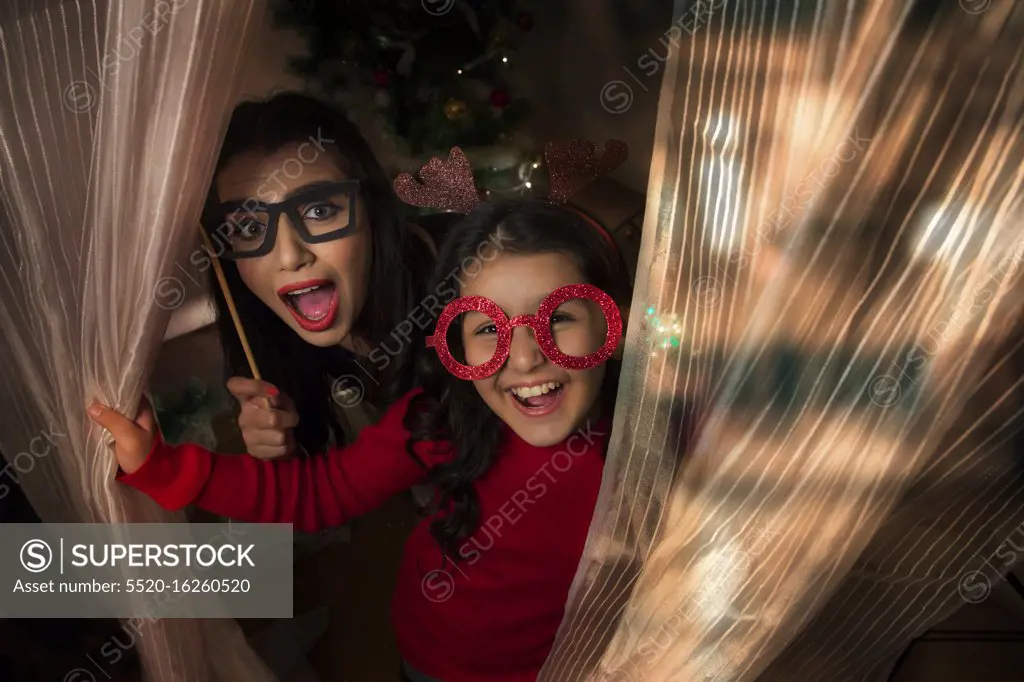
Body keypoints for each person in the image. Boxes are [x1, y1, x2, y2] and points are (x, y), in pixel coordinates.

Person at [88, 198, 632, 681]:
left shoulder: (653, 448)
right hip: (432, 658)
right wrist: (161, 466)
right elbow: (319, 493)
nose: (525, 356)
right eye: (488, 328)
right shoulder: (437, 421)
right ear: (458, 349)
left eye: (558, 316)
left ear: (613, 326)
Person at [201, 92, 433, 458]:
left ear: (372, 212)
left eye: (320, 211)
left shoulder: (469, 300)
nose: (291, 256)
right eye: (249, 228)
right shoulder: (273, 364)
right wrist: (286, 459)